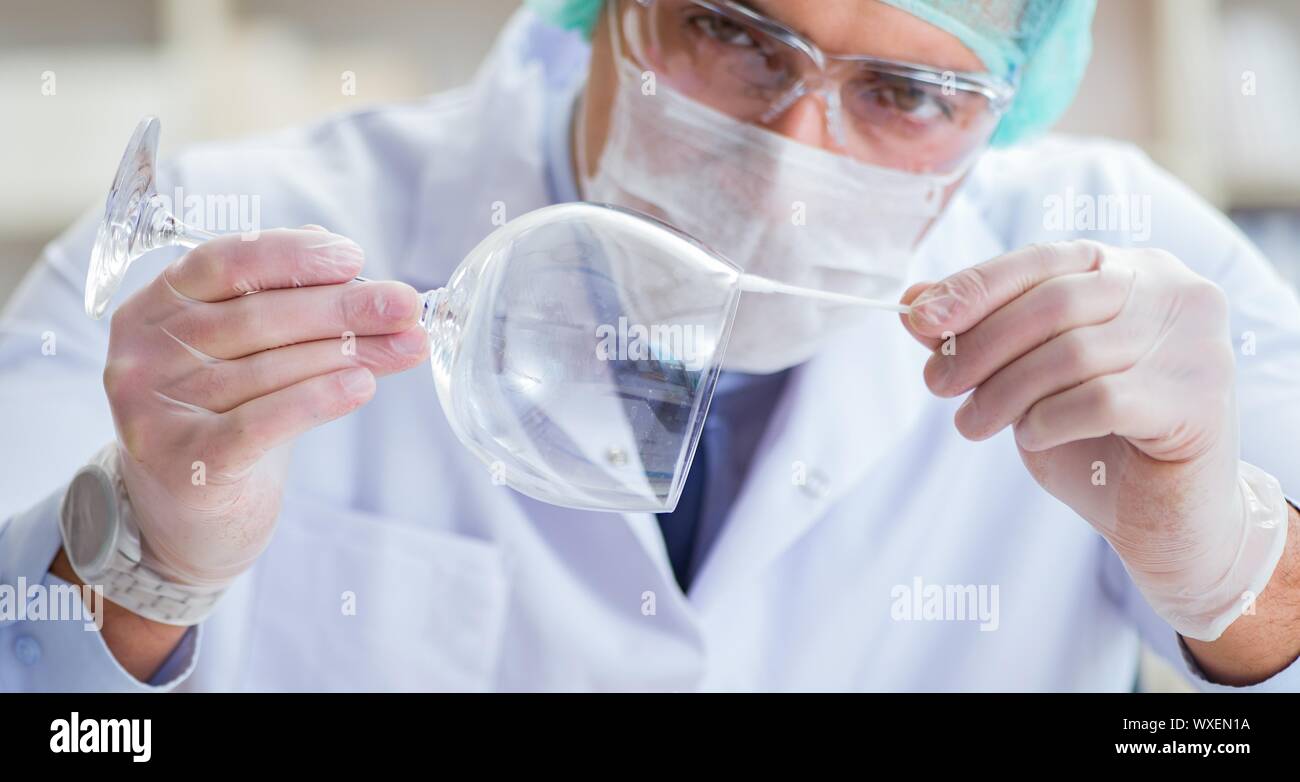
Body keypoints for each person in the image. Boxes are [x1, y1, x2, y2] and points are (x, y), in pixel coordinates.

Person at [1, 0, 1297, 692]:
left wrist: (1229, 559)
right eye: (732, 32)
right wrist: (144, 558)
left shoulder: (1141, 278)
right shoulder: (206, 277)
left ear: (1010, 100)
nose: (793, 168)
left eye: (907, 94)